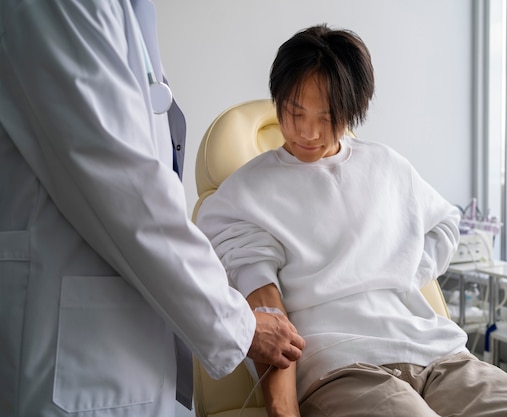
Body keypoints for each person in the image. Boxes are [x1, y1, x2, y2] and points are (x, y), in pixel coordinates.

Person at [196, 24, 507, 417]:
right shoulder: (245, 194)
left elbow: (444, 225)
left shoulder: (387, 166)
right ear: (278, 99)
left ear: (354, 110)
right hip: (343, 368)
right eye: (293, 112)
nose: (307, 131)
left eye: (327, 116)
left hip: (439, 355)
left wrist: (402, 269)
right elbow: (267, 313)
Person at [0, 1, 305, 416]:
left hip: (126, 349)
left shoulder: (386, 172)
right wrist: (240, 326)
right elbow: (121, 182)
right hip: (77, 353)